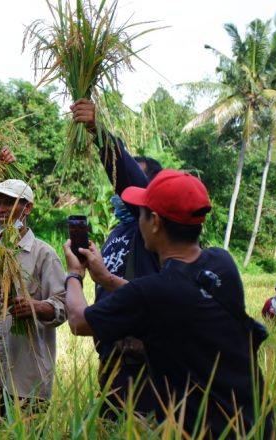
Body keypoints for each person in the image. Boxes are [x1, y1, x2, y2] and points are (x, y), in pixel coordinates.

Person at [64, 170, 274, 438]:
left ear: (155, 223)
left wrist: (74, 274)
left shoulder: (153, 293)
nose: (137, 220)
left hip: (206, 432)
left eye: (141, 213)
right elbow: (166, 298)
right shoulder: (221, 263)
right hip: (255, 423)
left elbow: (78, 320)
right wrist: (107, 278)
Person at [71, 98, 160, 416]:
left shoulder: (154, 231)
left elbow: (128, 179)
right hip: (112, 356)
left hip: (143, 362)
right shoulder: (118, 232)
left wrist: (100, 134)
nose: (122, 194)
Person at [0, 179, 68, 409]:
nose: (1, 209)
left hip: (27, 378)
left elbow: (64, 305)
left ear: (28, 208)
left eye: (9, 203)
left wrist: (36, 307)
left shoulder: (44, 254)